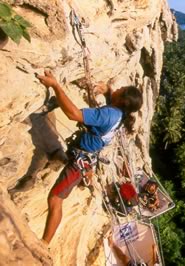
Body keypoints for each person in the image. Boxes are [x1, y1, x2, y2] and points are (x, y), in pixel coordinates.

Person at [36, 70, 143, 244]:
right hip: (85, 157)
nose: (119, 87)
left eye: (121, 89)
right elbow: (113, 100)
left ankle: (44, 244)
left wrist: (56, 86)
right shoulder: (119, 113)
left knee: (55, 198)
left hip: (79, 163)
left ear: (122, 100)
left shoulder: (109, 114)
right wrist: (108, 90)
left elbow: (74, 114)